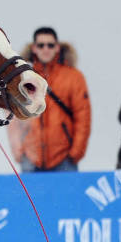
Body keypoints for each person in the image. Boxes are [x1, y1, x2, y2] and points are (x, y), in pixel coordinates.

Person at [12, 27, 91, 172]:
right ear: (34, 48)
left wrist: (75, 153)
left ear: (57, 47)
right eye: (41, 45)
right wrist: (18, 149)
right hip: (30, 158)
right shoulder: (24, 77)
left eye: (50, 45)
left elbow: (83, 117)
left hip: (64, 158)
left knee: (66, 195)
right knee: (30, 195)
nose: (46, 49)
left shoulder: (74, 77)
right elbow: (13, 114)